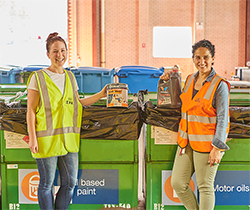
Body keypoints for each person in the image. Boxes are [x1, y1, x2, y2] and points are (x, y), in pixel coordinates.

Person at [26, 32, 107, 210]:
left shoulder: (70, 77)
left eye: (63, 50)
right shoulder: (37, 78)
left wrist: (101, 94)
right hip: (46, 141)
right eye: (55, 51)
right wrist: (32, 138)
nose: (60, 55)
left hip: (69, 141)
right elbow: (30, 111)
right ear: (48, 54)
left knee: (70, 183)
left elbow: (77, 104)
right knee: (46, 184)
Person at [165, 39, 230, 210]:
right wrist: (168, 79)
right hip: (186, 142)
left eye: (206, 57)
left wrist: (217, 147)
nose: (202, 61)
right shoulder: (189, 80)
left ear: (213, 58)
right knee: (178, 183)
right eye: (198, 57)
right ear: (193, 58)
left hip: (207, 144)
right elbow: (183, 104)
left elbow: (223, 118)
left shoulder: (219, 85)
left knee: (204, 186)